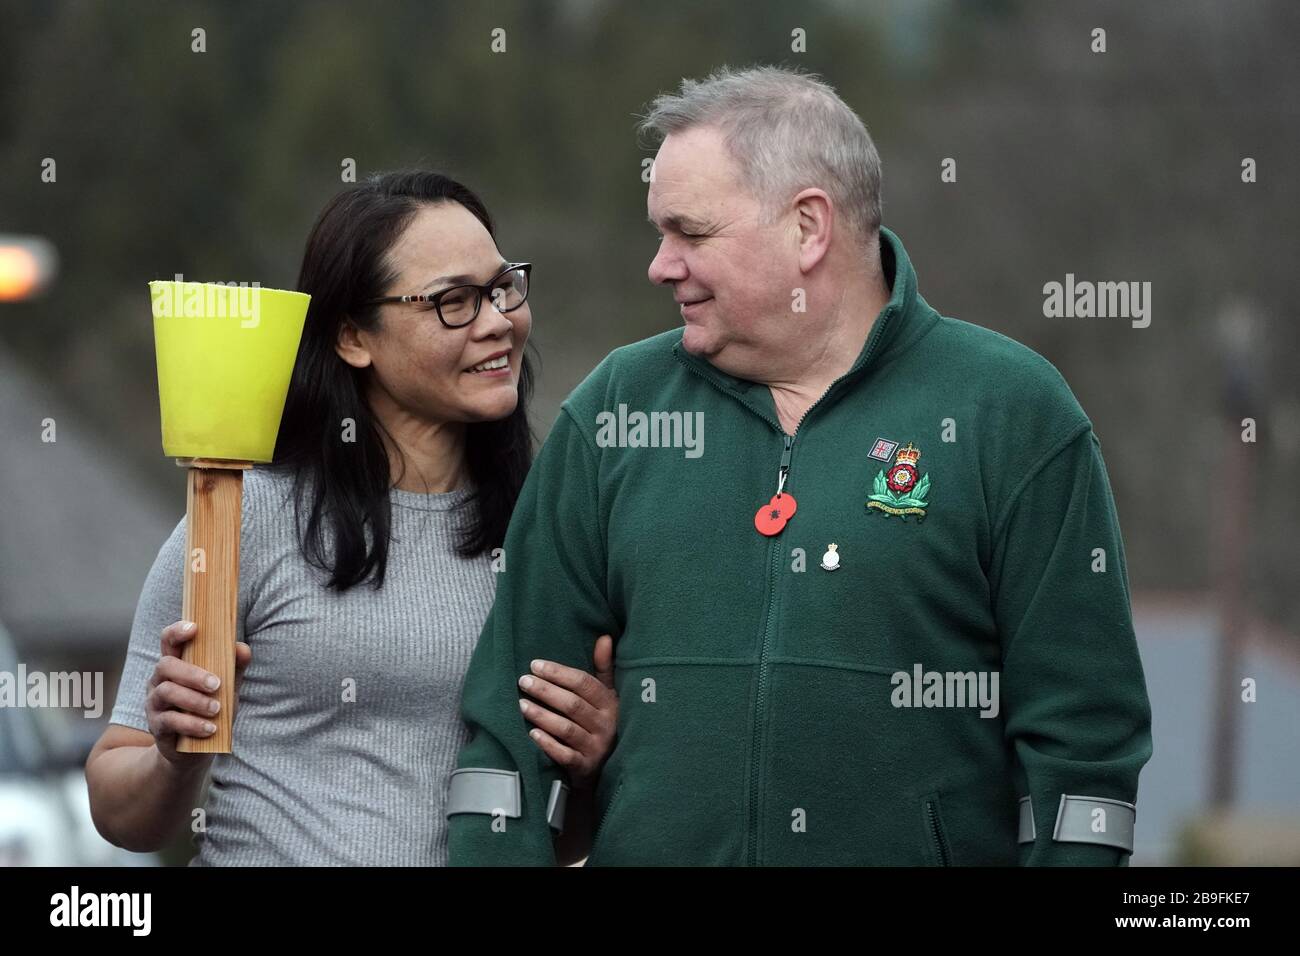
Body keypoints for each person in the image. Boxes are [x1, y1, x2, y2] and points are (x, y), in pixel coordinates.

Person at [446, 67, 1153, 866]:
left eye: (690, 233)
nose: (660, 264)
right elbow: (506, 754)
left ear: (808, 227)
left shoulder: (1014, 414)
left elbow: (1083, 760)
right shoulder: (617, 409)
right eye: (658, 233)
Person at [86, 170, 618, 865]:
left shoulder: (547, 532)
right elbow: (121, 815)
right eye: (452, 301)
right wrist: (173, 757)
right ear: (351, 337)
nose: (497, 321)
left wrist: (591, 764)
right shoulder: (244, 518)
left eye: (502, 287)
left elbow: (560, 840)